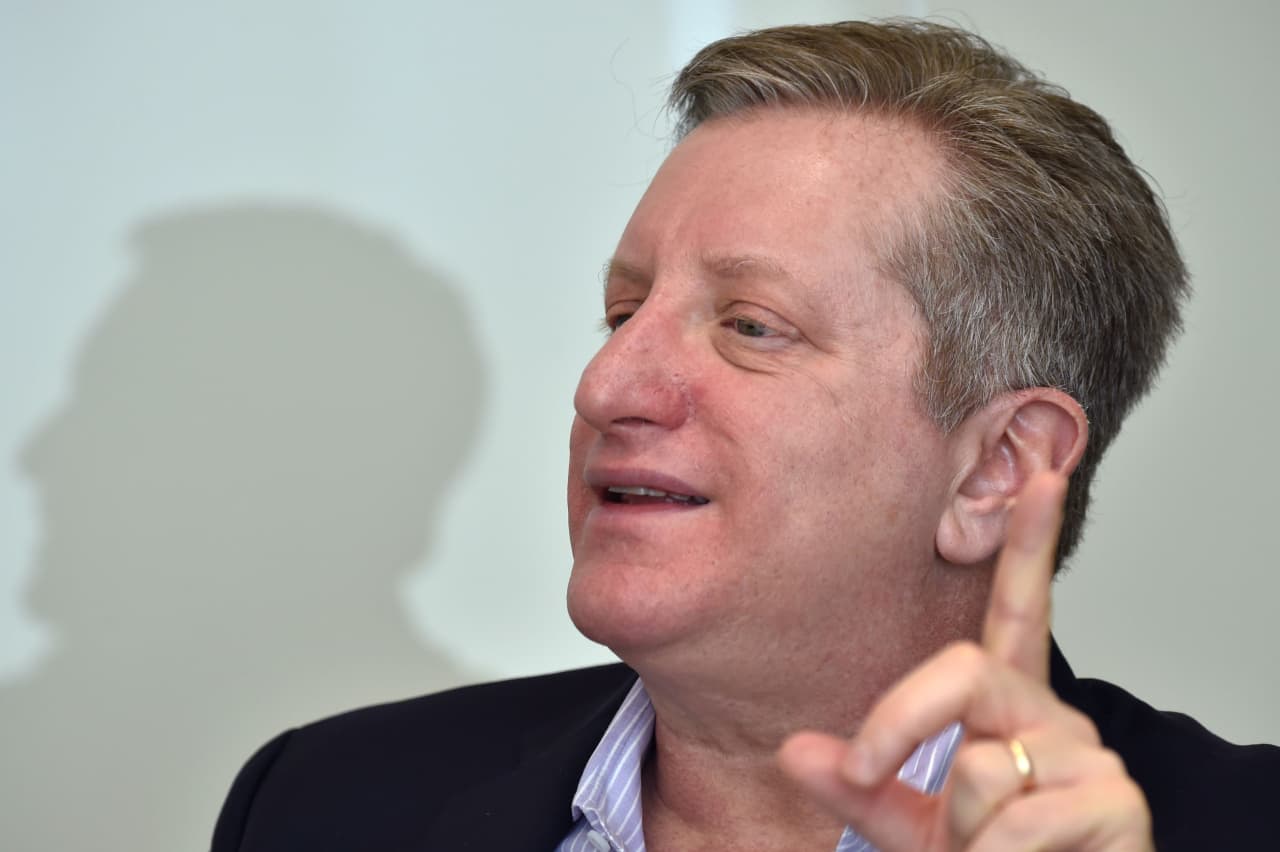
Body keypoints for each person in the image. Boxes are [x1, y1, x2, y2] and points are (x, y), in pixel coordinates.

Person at [211, 19, 1279, 851]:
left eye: (751, 326)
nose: (605, 386)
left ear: (996, 470)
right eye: (622, 313)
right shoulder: (322, 805)